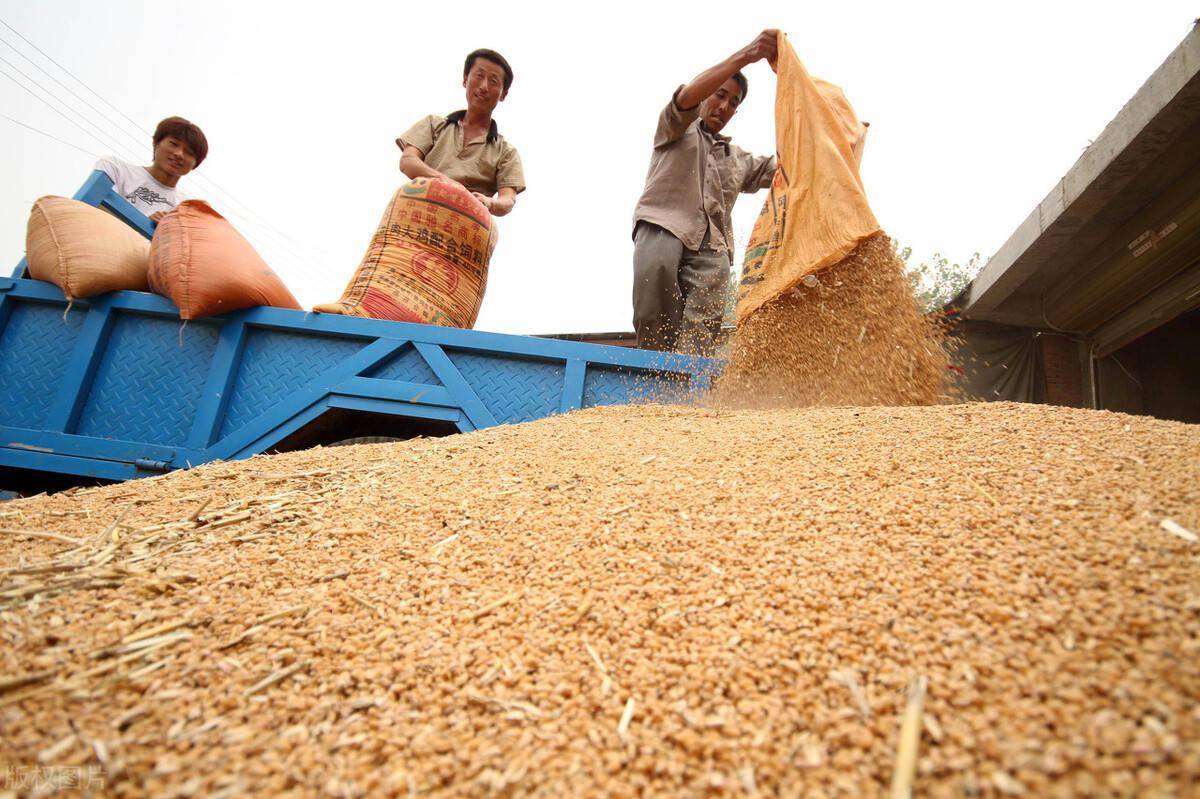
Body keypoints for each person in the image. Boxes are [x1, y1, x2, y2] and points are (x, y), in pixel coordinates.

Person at [631, 30, 779, 355]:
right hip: (663, 230)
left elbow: (787, 168)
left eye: (733, 103)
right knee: (653, 320)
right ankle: (654, 386)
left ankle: (689, 394)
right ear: (707, 94)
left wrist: (831, 136)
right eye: (720, 95)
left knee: (701, 337)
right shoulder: (676, 127)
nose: (724, 106)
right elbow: (685, 97)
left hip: (712, 250)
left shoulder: (738, 159)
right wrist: (747, 55)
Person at [396, 48, 525, 216]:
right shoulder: (433, 124)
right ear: (465, 79)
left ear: (503, 94)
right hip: (417, 211)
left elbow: (507, 200)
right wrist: (448, 183)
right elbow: (408, 161)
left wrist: (490, 203)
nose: (484, 86)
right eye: (479, 76)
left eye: (493, 81)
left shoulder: (506, 152)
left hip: (464, 222)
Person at [94, 116, 207, 222]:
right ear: (156, 143)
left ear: (195, 164)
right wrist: (147, 224)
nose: (179, 154)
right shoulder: (115, 168)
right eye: (173, 143)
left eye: (189, 152)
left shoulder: (187, 209)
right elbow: (94, 207)